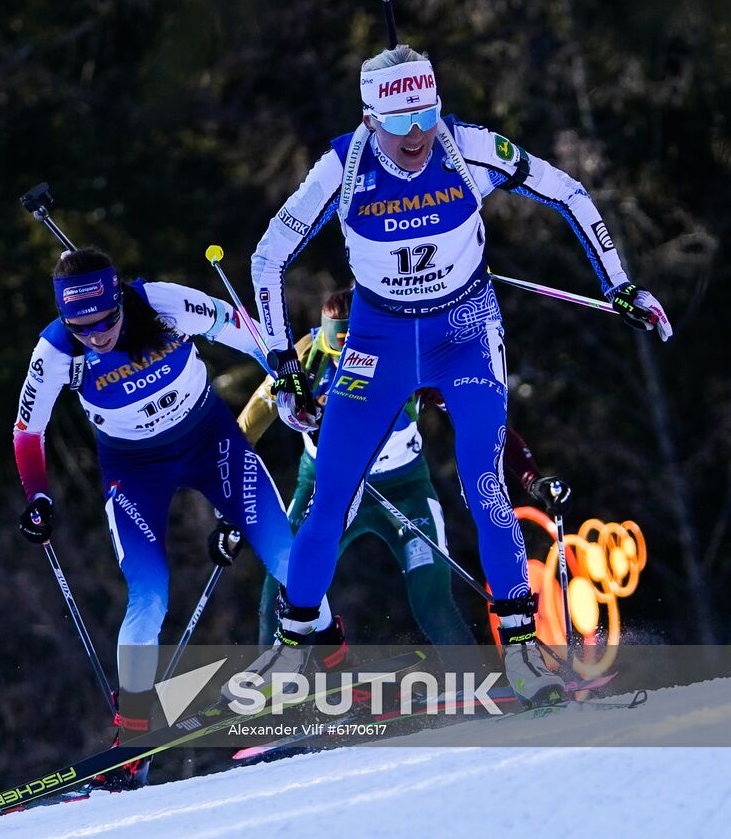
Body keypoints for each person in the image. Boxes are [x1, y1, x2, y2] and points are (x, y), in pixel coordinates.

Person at [248, 44, 671, 706]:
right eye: (400, 122)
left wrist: (620, 282)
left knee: (483, 481)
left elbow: (568, 191)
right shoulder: (343, 165)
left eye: (426, 117)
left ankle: (525, 652)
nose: (417, 137)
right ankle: (296, 647)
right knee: (330, 492)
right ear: (369, 118)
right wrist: (282, 363)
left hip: (464, 333)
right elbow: (268, 255)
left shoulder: (467, 147)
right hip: (379, 340)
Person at [13, 247, 339, 788]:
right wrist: (39, 495)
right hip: (133, 467)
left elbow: (242, 328)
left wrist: (284, 374)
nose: (95, 336)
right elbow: (28, 430)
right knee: (149, 594)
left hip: (210, 440)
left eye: (106, 322)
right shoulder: (54, 350)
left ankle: (339, 672)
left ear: (120, 300)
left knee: (286, 553)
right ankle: (134, 740)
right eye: (81, 327)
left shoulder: (162, 304)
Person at [239, 287, 572, 654]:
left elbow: (484, 423)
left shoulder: (410, 354)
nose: (352, 364)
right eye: (342, 355)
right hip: (326, 486)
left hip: (403, 488)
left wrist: (529, 475)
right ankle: (275, 684)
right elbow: (247, 427)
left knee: (430, 592)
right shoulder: (306, 356)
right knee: (282, 579)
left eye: (360, 354)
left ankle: (477, 681)